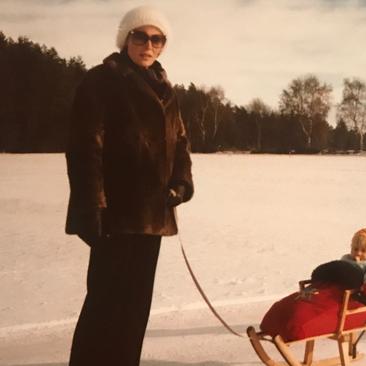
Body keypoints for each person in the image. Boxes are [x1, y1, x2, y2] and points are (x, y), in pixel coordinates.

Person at [65, 5, 193, 365]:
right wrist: (93, 208)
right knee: (104, 307)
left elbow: (180, 143)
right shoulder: (101, 81)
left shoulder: (166, 89)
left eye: (157, 39)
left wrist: (181, 183)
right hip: (114, 217)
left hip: (153, 217)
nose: (148, 45)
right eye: (140, 36)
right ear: (126, 39)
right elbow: (84, 150)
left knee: (135, 309)